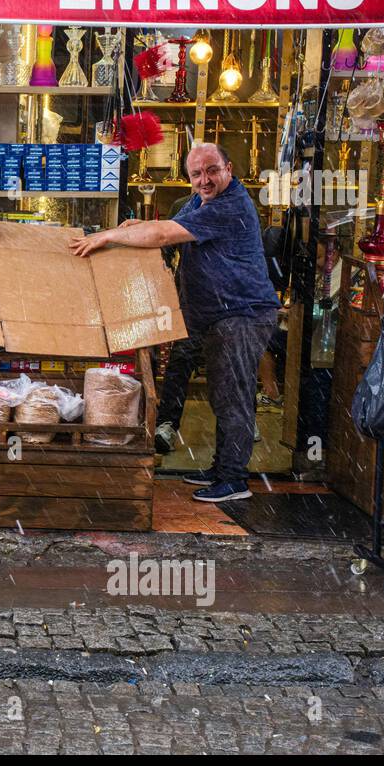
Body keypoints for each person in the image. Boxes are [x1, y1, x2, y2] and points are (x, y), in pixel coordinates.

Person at [71, 143, 279, 502]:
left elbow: (166, 235)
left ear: (229, 168)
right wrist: (140, 226)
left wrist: (108, 235)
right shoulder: (203, 202)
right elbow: (171, 227)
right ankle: (222, 468)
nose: (205, 180)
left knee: (234, 398)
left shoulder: (231, 206)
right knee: (222, 394)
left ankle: (234, 480)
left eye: (212, 170)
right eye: (196, 174)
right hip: (220, 316)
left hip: (242, 315)